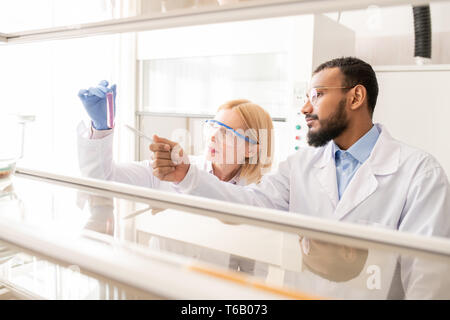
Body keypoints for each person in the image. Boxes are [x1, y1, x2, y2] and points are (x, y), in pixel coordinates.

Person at [151, 57, 450, 298]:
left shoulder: (419, 173)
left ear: (356, 96)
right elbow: (247, 205)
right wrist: (187, 175)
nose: (305, 108)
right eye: (306, 97)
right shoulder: (300, 166)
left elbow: (428, 281)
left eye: (317, 95)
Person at [77, 81, 274, 188]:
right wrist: (102, 127)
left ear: (251, 149)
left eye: (225, 132)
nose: (212, 137)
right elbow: (102, 180)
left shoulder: (258, 193)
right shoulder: (168, 169)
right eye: (212, 126)